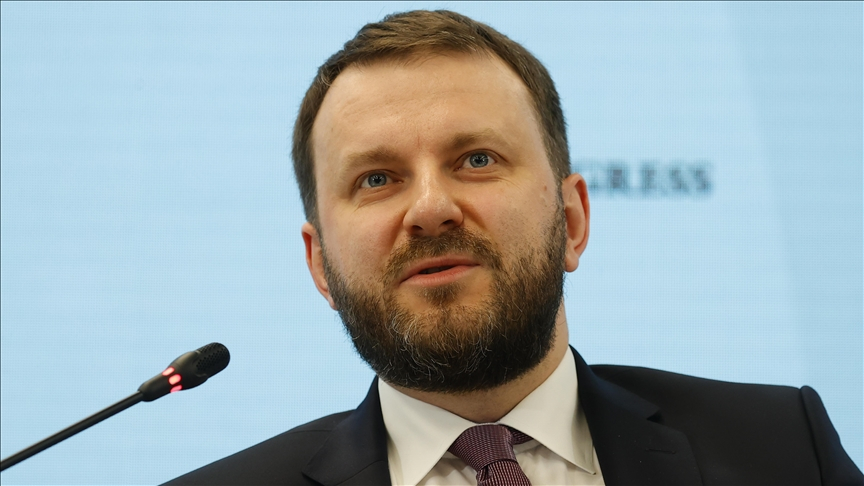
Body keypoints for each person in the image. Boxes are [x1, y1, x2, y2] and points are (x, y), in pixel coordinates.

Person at [166, 10, 863, 486]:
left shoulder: (782, 449)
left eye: (476, 160)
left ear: (573, 219)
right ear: (320, 265)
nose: (430, 208)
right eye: (377, 178)